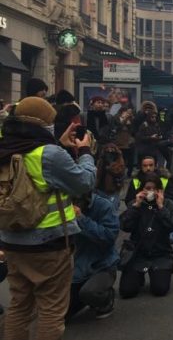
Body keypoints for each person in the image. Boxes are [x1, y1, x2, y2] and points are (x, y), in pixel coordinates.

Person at [0, 98, 96, 340]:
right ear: (43, 124)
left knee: (19, 305)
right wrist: (84, 151)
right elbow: (83, 182)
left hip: (12, 239)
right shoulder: (49, 154)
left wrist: (58, 145)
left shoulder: (5, 148)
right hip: (49, 243)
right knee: (51, 309)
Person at [118, 174, 173, 298]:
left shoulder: (169, 205)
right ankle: (138, 276)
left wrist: (161, 207)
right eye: (147, 188)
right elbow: (125, 225)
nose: (150, 192)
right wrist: (136, 207)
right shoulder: (135, 204)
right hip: (138, 253)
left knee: (160, 289)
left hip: (160, 253)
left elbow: (172, 225)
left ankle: (160, 272)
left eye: (154, 189)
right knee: (127, 292)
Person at [67, 191, 119, 321]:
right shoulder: (63, 205)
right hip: (77, 268)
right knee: (60, 314)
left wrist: (81, 219)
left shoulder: (103, 205)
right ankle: (84, 297)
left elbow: (109, 237)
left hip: (102, 265)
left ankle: (106, 298)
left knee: (89, 292)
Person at [92, 143, 127, 212]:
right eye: (107, 149)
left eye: (112, 149)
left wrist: (110, 166)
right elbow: (98, 174)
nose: (109, 151)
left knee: (112, 210)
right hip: (99, 189)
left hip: (112, 191)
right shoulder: (101, 161)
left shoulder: (119, 162)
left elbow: (119, 172)